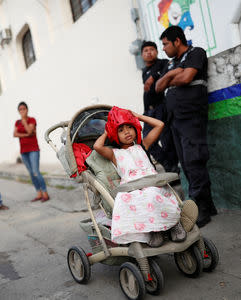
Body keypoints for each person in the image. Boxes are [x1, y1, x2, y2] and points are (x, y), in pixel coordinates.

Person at [93, 106, 186, 246]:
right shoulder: (115, 154)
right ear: (114, 134)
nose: (126, 132)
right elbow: (97, 147)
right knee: (127, 201)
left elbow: (160, 125)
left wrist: (138, 117)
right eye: (120, 130)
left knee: (153, 194)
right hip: (132, 189)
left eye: (129, 127)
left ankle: (174, 224)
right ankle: (154, 231)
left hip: (151, 183)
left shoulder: (143, 145)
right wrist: (108, 130)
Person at [155, 26, 217, 228]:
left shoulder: (195, 53)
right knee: (186, 165)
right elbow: (158, 87)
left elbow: (186, 77)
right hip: (175, 120)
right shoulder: (171, 64)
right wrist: (170, 74)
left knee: (194, 160)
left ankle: (200, 209)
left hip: (191, 116)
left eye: (165, 44)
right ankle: (208, 206)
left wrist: (175, 76)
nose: (163, 48)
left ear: (177, 42)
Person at [140, 40, 178, 173]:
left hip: (161, 107)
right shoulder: (144, 71)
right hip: (148, 112)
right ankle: (169, 165)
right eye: (146, 50)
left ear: (156, 51)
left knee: (167, 140)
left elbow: (167, 71)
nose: (149, 52)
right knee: (147, 142)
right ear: (141, 54)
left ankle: (173, 170)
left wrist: (154, 76)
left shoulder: (162, 63)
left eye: (152, 49)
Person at [13, 102, 50, 202]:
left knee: (35, 172)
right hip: (24, 151)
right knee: (31, 173)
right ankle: (39, 193)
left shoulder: (31, 119)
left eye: (23, 109)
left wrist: (24, 121)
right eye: (20, 109)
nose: (22, 111)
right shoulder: (17, 122)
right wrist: (26, 134)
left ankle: (45, 193)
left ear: (27, 110)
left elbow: (30, 131)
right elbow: (15, 134)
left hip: (33, 149)